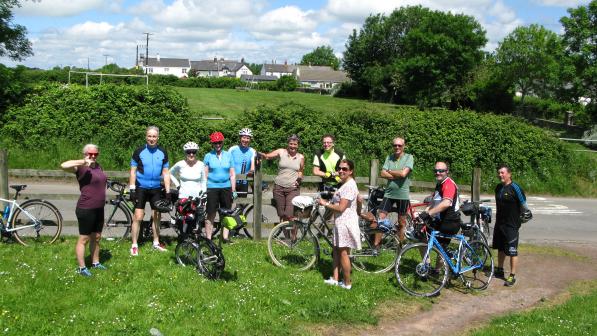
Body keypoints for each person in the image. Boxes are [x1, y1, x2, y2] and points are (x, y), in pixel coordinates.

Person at [60, 144, 108, 277]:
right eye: (89, 154)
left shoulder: (99, 166)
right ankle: (82, 268)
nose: (92, 156)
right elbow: (63, 165)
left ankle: (95, 262)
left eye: (95, 154)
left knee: (97, 237)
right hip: (86, 208)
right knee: (84, 238)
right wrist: (83, 161)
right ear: (84, 153)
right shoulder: (80, 167)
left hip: (99, 208)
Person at [319, 159, 361, 290]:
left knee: (343, 253)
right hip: (341, 222)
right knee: (336, 250)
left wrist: (325, 204)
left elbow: (341, 208)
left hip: (345, 223)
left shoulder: (349, 185)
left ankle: (347, 283)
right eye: (340, 168)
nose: (341, 171)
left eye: (345, 169)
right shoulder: (345, 183)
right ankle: (335, 279)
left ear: (351, 171)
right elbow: (359, 200)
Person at [129, 126, 171, 256]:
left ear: (157, 137)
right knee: (138, 216)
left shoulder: (163, 152)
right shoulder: (139, 151)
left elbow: (166, 173)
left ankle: (156, 242)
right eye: (149, 136)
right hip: (141, 187)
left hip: (156, 188)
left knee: (157, 216)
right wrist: (132, 188)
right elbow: (133, 171)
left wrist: (168, 192)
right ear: (146, 137)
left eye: (154, 136)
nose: (151, 139)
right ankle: (134, 245)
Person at [493, 164, 529, 287]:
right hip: (500, 223)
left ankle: (512, 275)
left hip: (512, 225)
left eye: (502, 173)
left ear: (509, 174)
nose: (500, 175)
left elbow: (524, 204)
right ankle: (499, 269)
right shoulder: (498, 188)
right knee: (500, 248)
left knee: (512, 250)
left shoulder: (515, 188)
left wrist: (523, 217)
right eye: (499, 173)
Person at [259, 134, 304, 222]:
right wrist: (262, 155)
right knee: (282, 214)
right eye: (291, 144)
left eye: (295, 144)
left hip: (292, 188)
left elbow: (301, 171)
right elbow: (268, 156)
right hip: (279, 188)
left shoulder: (301, 157)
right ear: (288, 144)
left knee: (290, 214)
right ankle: (285, 235)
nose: (292, 146)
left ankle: (292, 236)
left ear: (298, 145)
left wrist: (299, 179)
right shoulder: (281, 152)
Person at [378, 137, 414, 241]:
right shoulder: (389, 157)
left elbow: (403, 174)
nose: (397, 147)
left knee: (401, 222)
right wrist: (396, 174)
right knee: (381, 218)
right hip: (389, 193)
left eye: (399, 145)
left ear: (404, 146)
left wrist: (390, 171)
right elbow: (382, 173)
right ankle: (376, 246)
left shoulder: (409, 157)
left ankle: (400, 246)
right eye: (395, 145)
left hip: (402, 195)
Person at [418, 162, 461, 248]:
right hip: (440, 220)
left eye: (441, 171)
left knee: (441, 252)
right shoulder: (439, 184)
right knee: (421, 235)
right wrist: (422, 215)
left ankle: (443, 258)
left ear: (447, 171)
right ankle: (426, 262)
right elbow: (432, 202)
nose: (438, 173)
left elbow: (446, 203)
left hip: (450, 222)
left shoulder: (448, 184)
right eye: (436, 170)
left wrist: (428, 214)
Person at [204, 131, 236, 242]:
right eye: (215, 143)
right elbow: (205, 174)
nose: (217, 145)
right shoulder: (208, 156)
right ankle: (208, 238)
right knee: (211, 213)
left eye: (219, 142)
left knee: (226, 213)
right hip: (212, 187)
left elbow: (232, 174)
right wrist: (204, 189)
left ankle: (225, 237)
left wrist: (233, 189)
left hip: (226, 187)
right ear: (212, 144)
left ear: (222, 143)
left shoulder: (228, 155)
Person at [228, 128, 256, 198]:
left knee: (241, 206)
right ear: (240, 138)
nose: (245, 140)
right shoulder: (232, 149)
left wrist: (252, 171)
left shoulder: (252, 151)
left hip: (244, 182)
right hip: (231, 181)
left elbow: (253, 166)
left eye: (248, 138)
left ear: (250, 140)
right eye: (244, 137)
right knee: (227, 205)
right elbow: (227, 163)